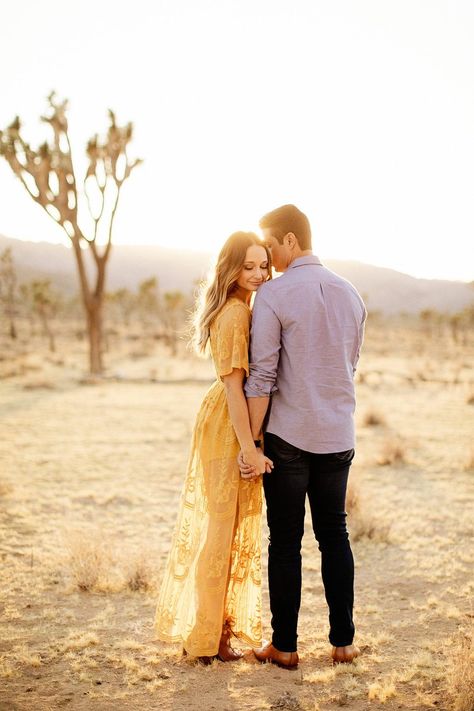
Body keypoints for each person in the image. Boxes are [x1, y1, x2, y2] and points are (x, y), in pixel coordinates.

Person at [239, 204, 367, 669]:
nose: (268, 260)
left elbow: (262, 377)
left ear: (290, 240)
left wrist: (252, 443)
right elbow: (349, 366)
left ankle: (285, 646)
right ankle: (344, 642)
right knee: (335, 533)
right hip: (338, 435)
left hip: (288, 437)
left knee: (286, 540)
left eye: (271, 247)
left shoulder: (273, 295)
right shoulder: (350, 293)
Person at [154, 231, 273, 663]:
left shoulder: (240, 307)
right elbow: (234, 388)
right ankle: (204, 638)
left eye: (264, 266)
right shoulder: (235, 315)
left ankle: (216, 634)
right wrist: (250, 449)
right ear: (231, 268)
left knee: (227, 530)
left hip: (224, 418)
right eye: (249, 266)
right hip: (228, 424)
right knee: (221, 531)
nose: (259, 274)